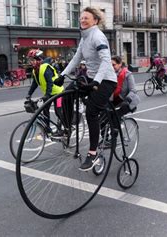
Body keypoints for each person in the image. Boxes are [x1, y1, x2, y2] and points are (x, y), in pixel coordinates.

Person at [56, 6, 117, 171]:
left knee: (91, 111)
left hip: (106, 80)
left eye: (86, 18)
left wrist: (96, 82)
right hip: (91, 78)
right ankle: (67, 128)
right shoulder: (84, 38)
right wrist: (62, 75)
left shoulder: (98, 36)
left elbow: (106, 61)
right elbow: (76, 58)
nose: (82, 20)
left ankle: (93, 153)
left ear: (95, 20)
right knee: (67, 95)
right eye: (81, 17)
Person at [25, 49, 64, 136]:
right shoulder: (35, 70)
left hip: (58, 93)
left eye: (32, 60)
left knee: (58, 111)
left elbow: (50, 82)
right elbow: (34, 84)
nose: (31, 62)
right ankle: (48, 129)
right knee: (45, 110)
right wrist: (29, 94)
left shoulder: (45, 67)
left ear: (38, 59)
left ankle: (64, 128)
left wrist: (47, 95)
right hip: (49, 93)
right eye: (30, 60)